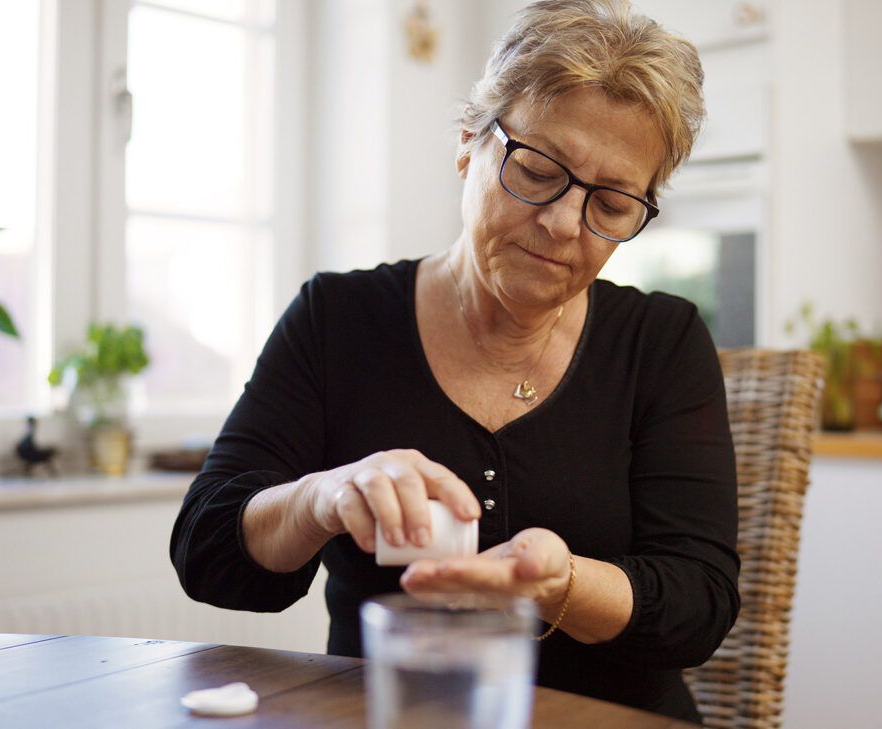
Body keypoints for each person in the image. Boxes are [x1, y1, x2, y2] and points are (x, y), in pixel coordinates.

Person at [170, 0, 739, 722]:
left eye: (613, 204)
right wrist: (322, 496)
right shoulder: (338, 320)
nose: (564, 223)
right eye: (538, 169)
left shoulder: (662, 342)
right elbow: (206, 551)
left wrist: (557, 581)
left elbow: (700, 603)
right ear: (470, 141)